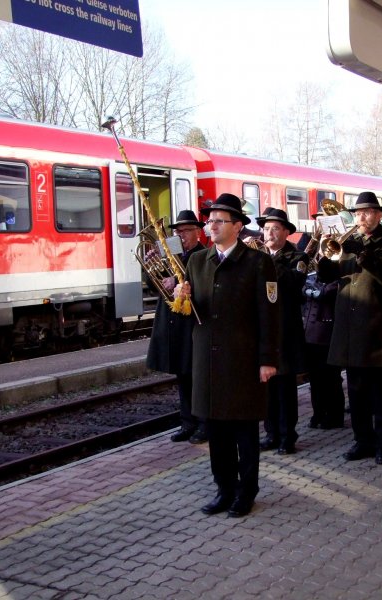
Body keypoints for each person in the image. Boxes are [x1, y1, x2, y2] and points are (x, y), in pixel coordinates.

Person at [176, 193, 279, 518]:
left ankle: (246, 492)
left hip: (243, 361)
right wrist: (181, 298)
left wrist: (267, 359)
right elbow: (190, 314)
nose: (211, 225)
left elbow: (269, 314)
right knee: (216, 433)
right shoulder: (197, 262)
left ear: (237, 226)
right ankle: (224, 489)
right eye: (210, 221)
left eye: (219, 221)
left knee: (244, 432)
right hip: (208, 361)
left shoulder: (258, 262)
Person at [318, 191, 382, 465]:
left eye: (367, 212)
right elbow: (326, 275)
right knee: (355, 390)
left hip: (376, 327)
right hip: (348, 328)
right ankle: (362, 440)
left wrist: (364, 254)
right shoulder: (349, 242)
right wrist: (324, 254)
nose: (362, 217)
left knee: (380, 391)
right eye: (357, 213)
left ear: (379, 215)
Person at [146, 210, 207, 444]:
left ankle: (203, 424)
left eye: (186, 231)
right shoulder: (171, 254)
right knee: (183, 376)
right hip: (173, 324)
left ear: (197, 232)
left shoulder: (203, 255)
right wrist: (151, 266)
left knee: (197, 377)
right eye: (178, 231)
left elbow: (201, 287)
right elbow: (155, 286)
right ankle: (187, 422)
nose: (181, 235)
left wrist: (180, 282)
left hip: (192, 325)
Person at [254, 208, 309, 455]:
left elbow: (293, 285)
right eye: (266, 228)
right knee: (266, 388)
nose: (269, 233)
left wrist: (266, 259)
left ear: (286, 232)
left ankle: (288, 436)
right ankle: (271, 433)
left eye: (275, 228)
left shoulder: (297, 257)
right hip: (264, 330)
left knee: (285, 389)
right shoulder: (257, 256)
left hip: (286, 331)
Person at [302, 217, 345, 431]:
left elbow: (324, 292)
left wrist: (312, 289)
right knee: (316, 380)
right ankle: (319, 413)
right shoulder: (315, 272)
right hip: (310, 334)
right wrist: (316, 239)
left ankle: (334, 415)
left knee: (330, 378)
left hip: (327, 334)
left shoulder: (335, 276)